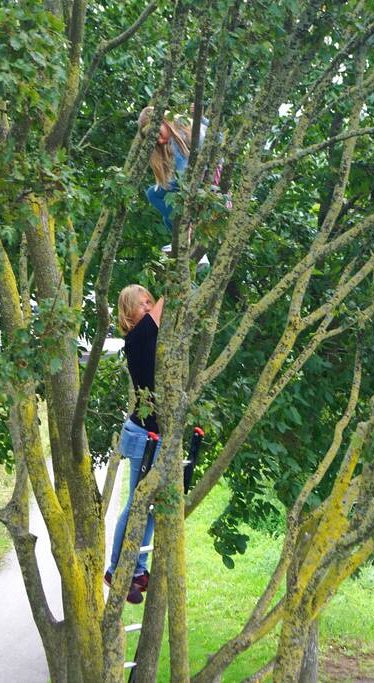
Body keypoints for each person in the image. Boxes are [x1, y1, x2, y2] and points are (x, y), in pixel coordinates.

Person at [104, 284, 164, 604]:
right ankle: (116, 569)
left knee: (150, 506)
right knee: (136, 504)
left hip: (153, 433)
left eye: (150, 303)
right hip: (144, 435)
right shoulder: (138, 336)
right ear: (130, 314)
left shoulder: (154, 339)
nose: (149, 307)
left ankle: (138, 568)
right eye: (143, 305)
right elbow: (170, 302)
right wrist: (189, 257)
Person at [137, 105, 210, 233]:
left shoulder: (177, 140)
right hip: (202, 177)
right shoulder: (185, 124)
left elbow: (183, 176)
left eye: (158, 134)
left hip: (201, 180)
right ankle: (184, 234)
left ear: (164, 121)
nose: (159, 141)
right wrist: (203, 119)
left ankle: (186, 229)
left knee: (152, 194)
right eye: (154, 140)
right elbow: (218, 135)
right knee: (167, 219)